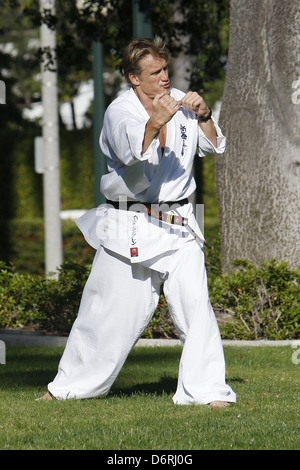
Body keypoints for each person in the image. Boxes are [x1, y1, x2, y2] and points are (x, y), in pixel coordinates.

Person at [37, 37, 236, 407]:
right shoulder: (120, 112)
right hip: (132, 222)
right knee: (106, 315)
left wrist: (205, 116)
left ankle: (209, 391)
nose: (164, 78)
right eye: (154, 73)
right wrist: (153, 123)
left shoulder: (181, 100)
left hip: (180, 222)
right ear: (133, 77)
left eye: (165, 70)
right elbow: (131, 155)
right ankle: (66, 387)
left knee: (196, 306)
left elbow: (213, 146)